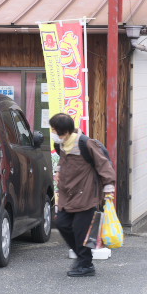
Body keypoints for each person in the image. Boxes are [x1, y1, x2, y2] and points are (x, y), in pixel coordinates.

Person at [50, 112, 116, 277]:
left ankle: (86, 264)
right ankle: (82, 257)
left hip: (85, 194)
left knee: (80, 230)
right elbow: (64, 162)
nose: (52, 133)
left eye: (53, 129)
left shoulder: (85, 143)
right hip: (68, 194)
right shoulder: (62, 144)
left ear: (63, 131)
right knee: (62, 224)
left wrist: (109, 189)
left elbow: (104, 165)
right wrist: (58, 171)